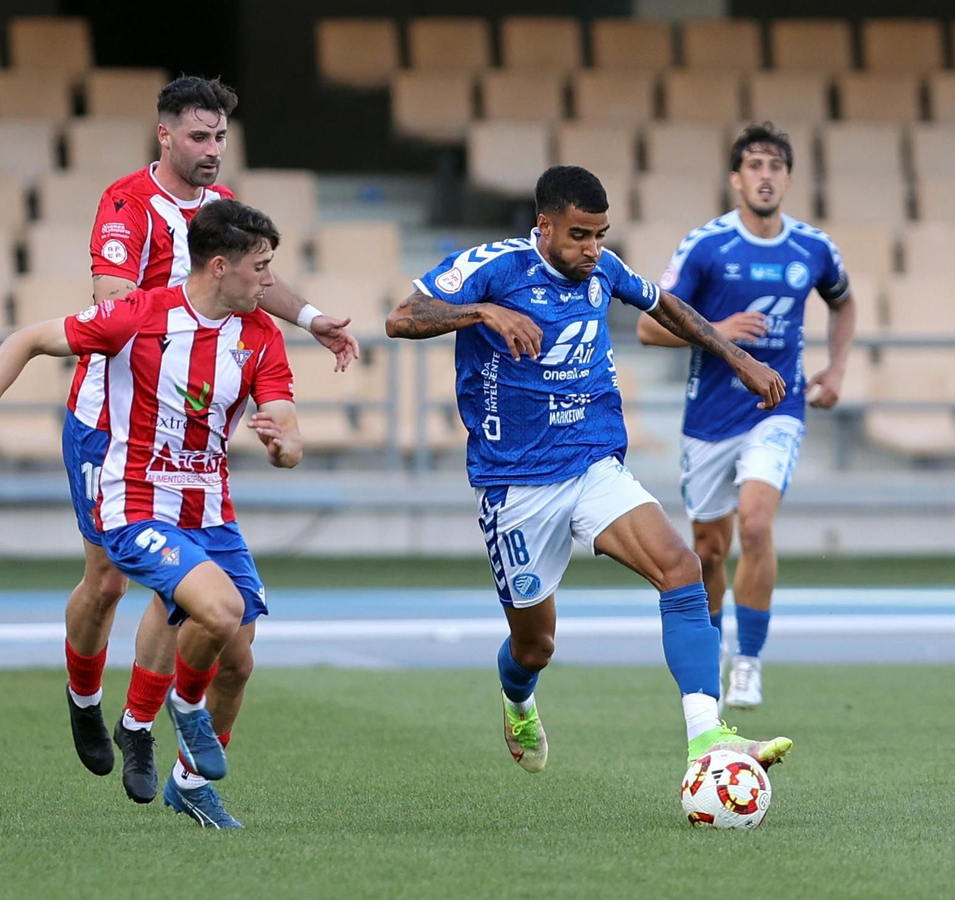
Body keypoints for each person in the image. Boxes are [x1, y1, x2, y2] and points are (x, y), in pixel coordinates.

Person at [385, 165, 794, 775]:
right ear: (544, 225)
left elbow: (666, 306)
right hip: (515, 483)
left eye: (600, 235)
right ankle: (517, 697)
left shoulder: (602, 267)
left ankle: (708, 737)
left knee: (681, 568)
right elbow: (401, 318)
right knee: (535, 645)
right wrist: (481, 315)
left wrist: (737, 357)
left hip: (592, 460)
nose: (592, 249)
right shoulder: (492, 269)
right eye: (579, 235)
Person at [0, 201, 300, 829]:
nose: (271, 282)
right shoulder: (139, 315)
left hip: (211, 511)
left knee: (240, 660)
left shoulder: (261, 336)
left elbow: (291, 432)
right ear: (220, 267)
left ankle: (189, 785)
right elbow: (26, 339)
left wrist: (283, 445)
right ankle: (174, 708)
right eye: (262, 267)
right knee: (213, 610)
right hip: (135, 504)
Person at [61, 75, 357, 805]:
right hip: (112, 415)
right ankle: (84, 700)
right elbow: (109, 300)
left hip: (184, 427)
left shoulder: (224, 216)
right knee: (107, 582)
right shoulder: (128, 204)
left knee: (180, 590)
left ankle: (141, 724)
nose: (212, 149)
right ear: (165, 136)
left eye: (220, 136)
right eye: (198, 136)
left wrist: (310, 317)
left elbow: (261, 281)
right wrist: (173, 329)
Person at [637, 123, 857, 711]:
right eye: (754, 165)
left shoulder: (813, 248)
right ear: (736, 180)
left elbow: (844, 303)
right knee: (708, 548)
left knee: (756, 526)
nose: (765, 175)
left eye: (775, 165)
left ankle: (749, 662)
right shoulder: (707, 246)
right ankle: (709, 656)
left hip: (776, 408)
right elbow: (645, 326)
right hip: (709, 416)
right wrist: (717, 332)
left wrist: (835, 370)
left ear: (788, 178)